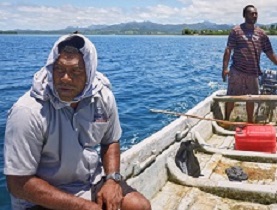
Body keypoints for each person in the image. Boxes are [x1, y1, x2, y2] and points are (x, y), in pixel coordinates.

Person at [4, 33, 151, 210]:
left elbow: (110, 140)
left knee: (138, 205)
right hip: (41, 199)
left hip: (89, 181)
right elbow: (18, 183)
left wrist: (112, 179)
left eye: (76, 71)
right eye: (59, 69)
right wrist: (83, 206)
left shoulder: (103, 97)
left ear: (89, 72)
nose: (65, 78)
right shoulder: (27, 112)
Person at [222, 5, 277, 123]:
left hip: (253, 73)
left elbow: (270, 53)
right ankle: (226, 121)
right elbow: (228, 50)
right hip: (237, 71)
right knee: (232, 97)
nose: (255, 16)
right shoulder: (236, 31)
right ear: (244, 15)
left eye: (256, 13)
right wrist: (224, 69)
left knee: (251, 99)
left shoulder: (262, 34)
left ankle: (250, 122)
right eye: (252, 13)